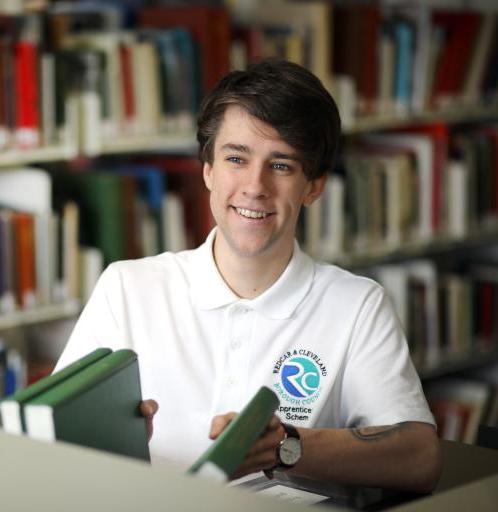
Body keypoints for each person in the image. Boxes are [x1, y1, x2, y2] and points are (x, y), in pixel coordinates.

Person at [54, 59, 441, 493]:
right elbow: (47, 440)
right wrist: (112, 445)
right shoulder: (126, 287)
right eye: (236, 158)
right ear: (207, 170)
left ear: (313, 186)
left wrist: (286, 447)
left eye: (281, 166)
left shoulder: (357, 305)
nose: (255, 186)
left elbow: (420, 457)